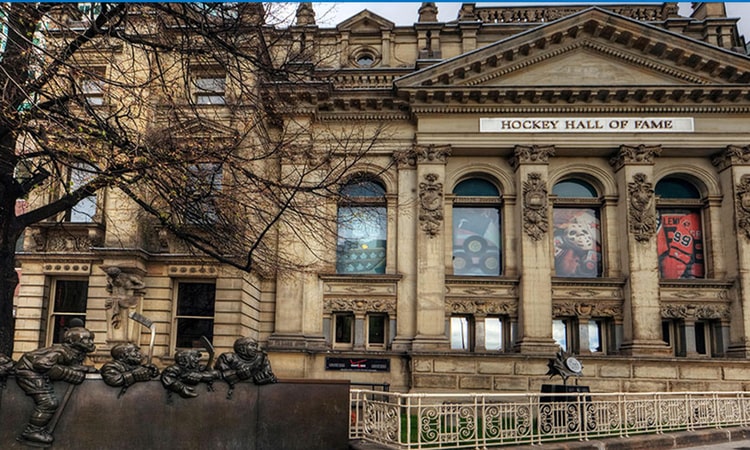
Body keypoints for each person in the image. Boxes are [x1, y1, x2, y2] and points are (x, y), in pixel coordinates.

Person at [14, 327, 97, 446]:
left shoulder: (74, 353)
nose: (91, 343)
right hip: (28, 372)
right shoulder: (60, 352)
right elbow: (41, 365)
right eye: (86, 340)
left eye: (91, 339)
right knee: (48, 403)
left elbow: (66, 364)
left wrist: (83, 369)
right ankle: (32, 431)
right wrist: (69, 374)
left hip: (36, 371)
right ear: (72, 342)